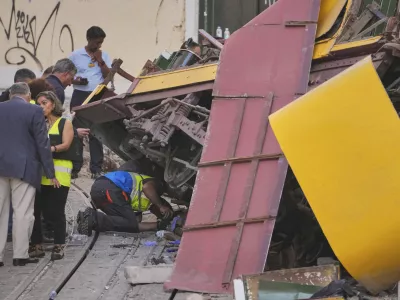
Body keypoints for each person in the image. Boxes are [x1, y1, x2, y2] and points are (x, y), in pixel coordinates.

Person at [0, 83, 58, 267]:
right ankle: (20, 255)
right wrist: (50, 172)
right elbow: (43, 143)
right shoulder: (34, 111)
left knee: (0, 212)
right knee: (23, 212)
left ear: (10, 94)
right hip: (25, 167)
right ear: (28, 95)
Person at [29, 91, 74, 261]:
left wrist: (49, 149)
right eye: (38, 103)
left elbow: (66, 144)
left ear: (53, 104)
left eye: (44, 103)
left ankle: (59, 245)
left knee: (55, 212)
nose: (40, 106)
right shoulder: (38, 123)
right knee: (35, 210)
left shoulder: (65, 123)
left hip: (59, 174)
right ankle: (36, 244)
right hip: (39, 174)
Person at [69, 26, 113, 179]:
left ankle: (96, 168)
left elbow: (109, 75)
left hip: (97, 95)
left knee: (96, 132)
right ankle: (75, 168)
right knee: (76, 132)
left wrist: (100, 60)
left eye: (101, 43)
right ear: (88, 40)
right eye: (96, 43)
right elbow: (68, 75)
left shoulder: (104, 55)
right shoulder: (75, 55)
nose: (98, 45)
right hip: (80, 94)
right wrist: (77, 80)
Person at [77, 171, 174, 236]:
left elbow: (135, 221)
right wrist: (160, 208)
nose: (161, 214)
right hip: (111, 188)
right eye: (164, 213)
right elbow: (147, 187)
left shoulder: (146, 204)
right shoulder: (158, 185)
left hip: (99, 190)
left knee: (122, 223)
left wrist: (161, 224)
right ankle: (93, 218)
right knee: (130, 224)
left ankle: (88, 219)